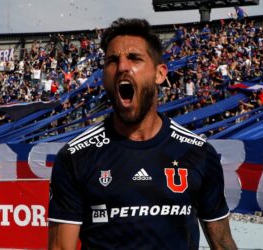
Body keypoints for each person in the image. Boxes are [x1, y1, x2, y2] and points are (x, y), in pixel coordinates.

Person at [48, 18, 237, 250]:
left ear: (160, 74)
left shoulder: (199, 153)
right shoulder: (75, 157)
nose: (122, 67)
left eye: (135, 58)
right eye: (112, 60)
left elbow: (223, 243)